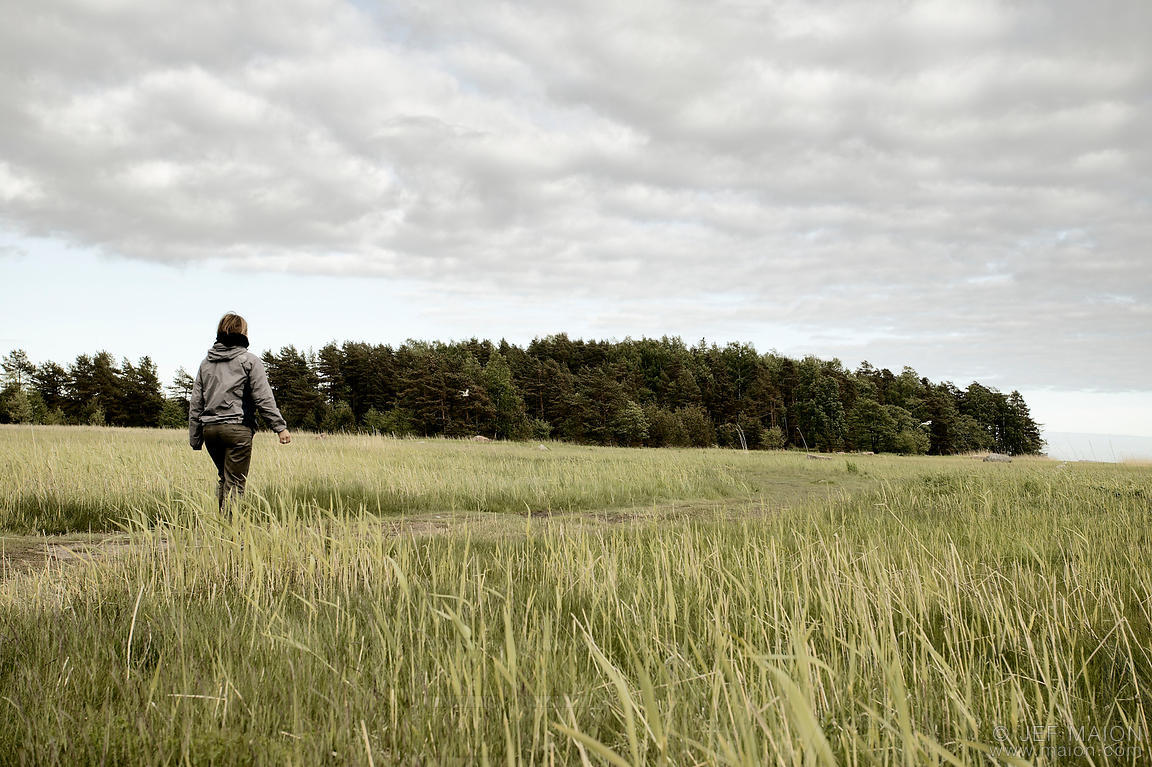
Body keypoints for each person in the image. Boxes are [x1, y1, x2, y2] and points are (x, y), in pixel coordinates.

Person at [188, 313, 292, 511]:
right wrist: (280, 427)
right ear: (243, 332)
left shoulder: (206, 363)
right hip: (237, 429)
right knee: (235, 483)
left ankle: (222, 528)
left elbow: (196, 403)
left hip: (210, 430)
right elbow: (263, 398)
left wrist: (195, 438)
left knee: (225, 479)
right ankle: (232, 535)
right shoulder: (249, 361)